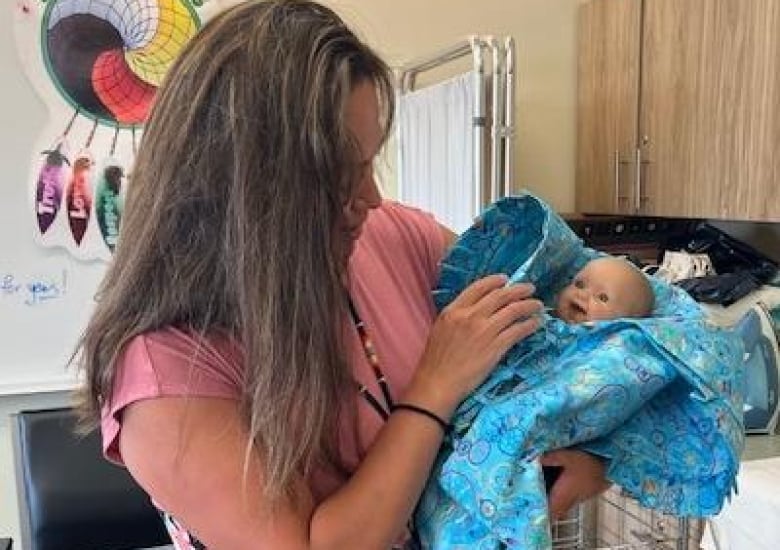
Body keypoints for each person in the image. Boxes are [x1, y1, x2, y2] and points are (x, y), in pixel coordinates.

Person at [75, 1, 609, 548]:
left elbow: (576, 315)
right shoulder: (166, 382)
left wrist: (594, 445)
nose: (373, 198)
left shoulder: (396, 237)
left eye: (370, 164)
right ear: (241, 191)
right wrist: (437, 383)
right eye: (339, 176)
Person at [555, 256, 655, 324]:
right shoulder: (543, 318)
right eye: (579, 285)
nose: (583, 295)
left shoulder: (613, 348)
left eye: (602, 297)